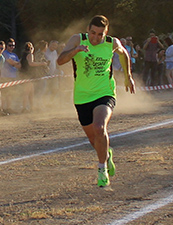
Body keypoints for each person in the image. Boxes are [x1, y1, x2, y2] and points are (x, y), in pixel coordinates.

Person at [57, 15, 135, 188]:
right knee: (94, 140)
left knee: (100, 127)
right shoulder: (77, 39)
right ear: (88, 29)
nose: (96, 37)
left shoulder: (111, 43)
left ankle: (102, 169)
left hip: (104, 93)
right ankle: (106, 155)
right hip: (82, 97)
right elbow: (60, 60)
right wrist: (75, 51)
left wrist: (128, 75)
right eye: (93, 33)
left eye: (100, 34)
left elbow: (125, 54)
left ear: (105, 33)